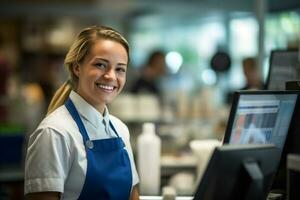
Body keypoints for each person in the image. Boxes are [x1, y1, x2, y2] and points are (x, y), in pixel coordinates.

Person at [24, 25, 140, 200]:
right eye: (100, 65)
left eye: (120, 69)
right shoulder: (55, 133)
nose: (111, 76)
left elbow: (133, 195)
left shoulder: (120, 129)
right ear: (77, 68)